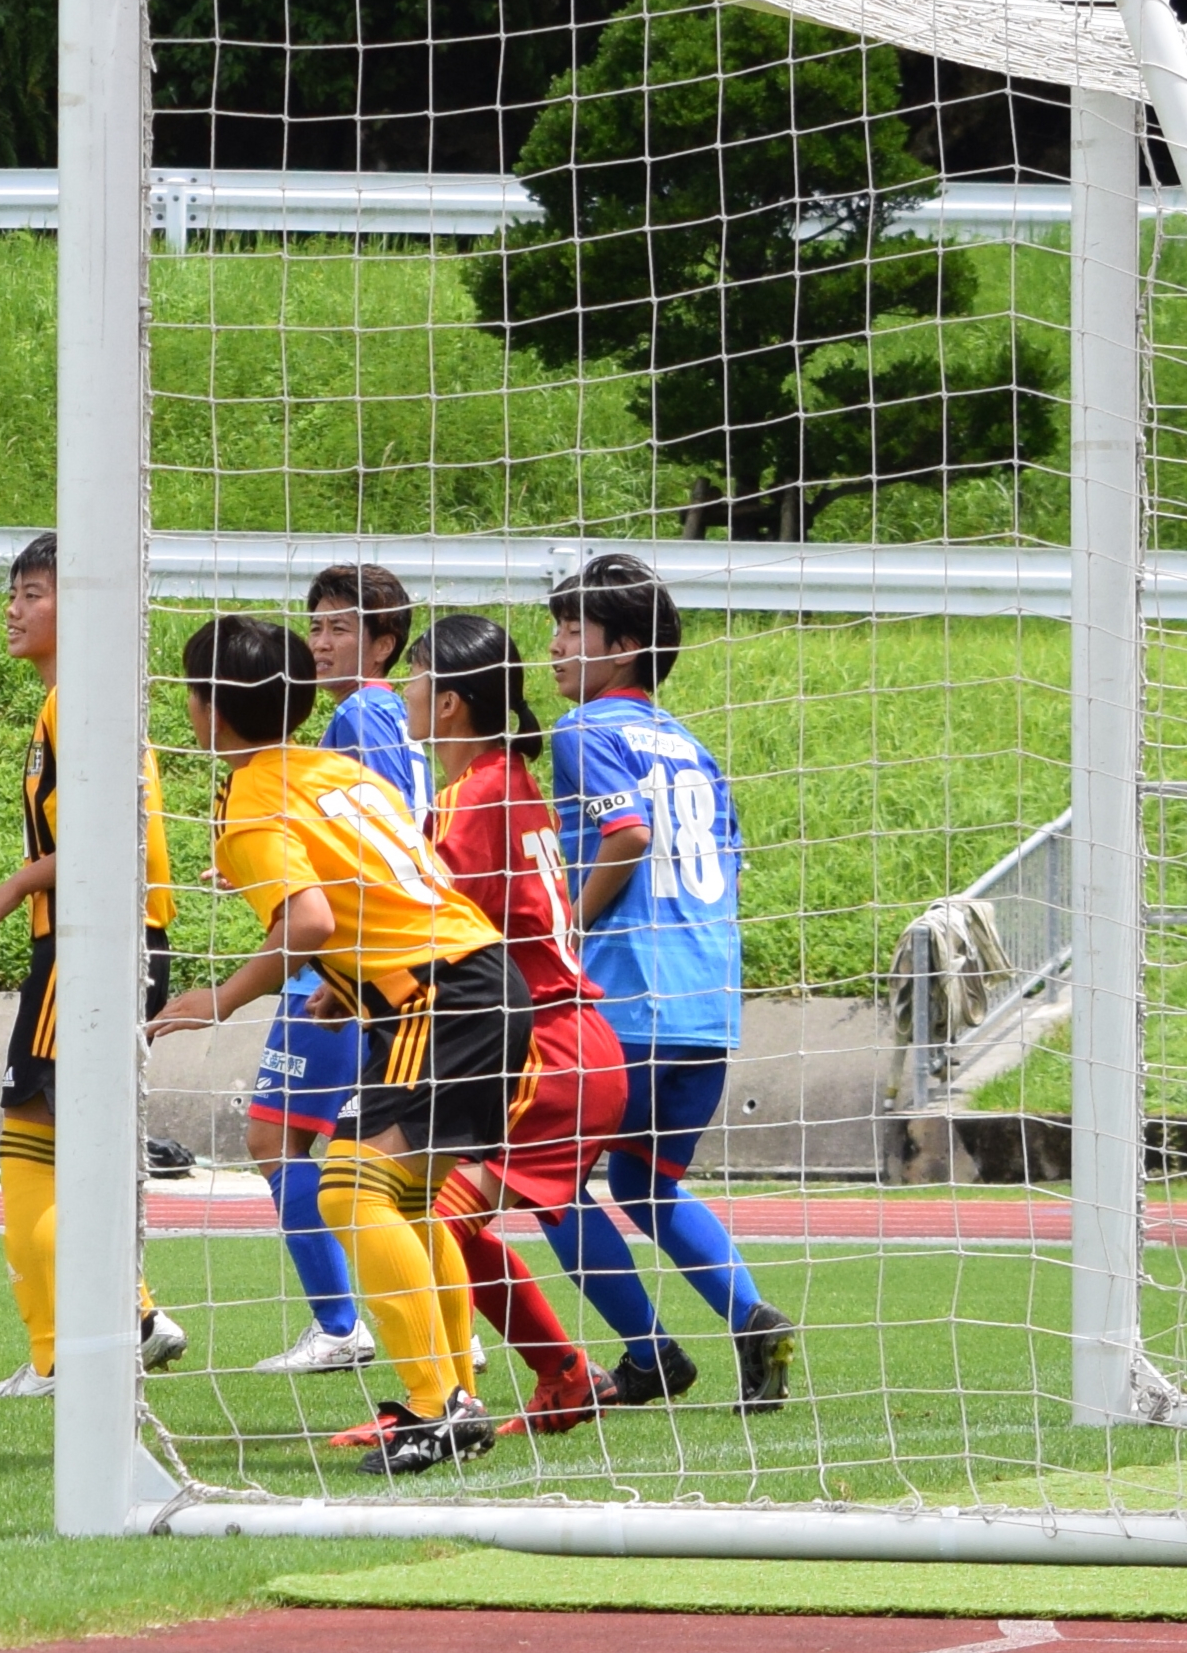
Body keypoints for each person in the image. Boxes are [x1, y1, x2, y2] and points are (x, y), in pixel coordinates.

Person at [155, 613, 523, 1477]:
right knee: (406, 1198)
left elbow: (310, 915)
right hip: (472, 977)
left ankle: (436, 1404)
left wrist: (220, 997)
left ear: (205, 708)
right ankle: (455, 1389)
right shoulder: (334, 769)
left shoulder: (251, 799)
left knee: (349, 1191)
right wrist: (344, 981)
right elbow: (388, 885)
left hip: (435, 997)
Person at [545, 553, 798, 1411]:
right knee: (647, 1185)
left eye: (572, 630)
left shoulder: (583, 733)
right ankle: (751, 1314)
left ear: (621, 646)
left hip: (630, 998)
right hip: (707, 1003)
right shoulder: (693, 745)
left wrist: (565, 923)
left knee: (546, 1181)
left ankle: (650, 1353)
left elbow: (626, 835)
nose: (554, 646)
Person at [0, 534, 188, 1401]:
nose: (15, 609)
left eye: (33, 593)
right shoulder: (81, 702)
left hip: (92, 948)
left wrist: (19, 881)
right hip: (116, 947)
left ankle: (74, 1348)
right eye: (12, 592)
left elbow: (103, 836)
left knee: (33, 1147)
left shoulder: (79, 704)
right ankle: (124, 1316)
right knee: (71, 1146)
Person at [397, 614, 612, 1439]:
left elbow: (430, 924)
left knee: (420, 1214)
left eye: (412, 676)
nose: (402, 692)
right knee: (428, 1211)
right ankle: (558, 1376)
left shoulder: (475, 795)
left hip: (545, 1047)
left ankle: (448, 1408)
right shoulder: (509, 777)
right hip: (558, 1038)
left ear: (447, 702)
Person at [242, 566, 427, 1376]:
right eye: (315, 627)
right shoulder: (401, 713)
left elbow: (384, 833)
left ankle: (343, 1323)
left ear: (385, 644)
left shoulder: (361, 712)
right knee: (388, 1156)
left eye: (341, 629)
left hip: (349, 961)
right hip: (387, 958)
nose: (320, 643)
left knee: (275, 1135)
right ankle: (437, 1320)